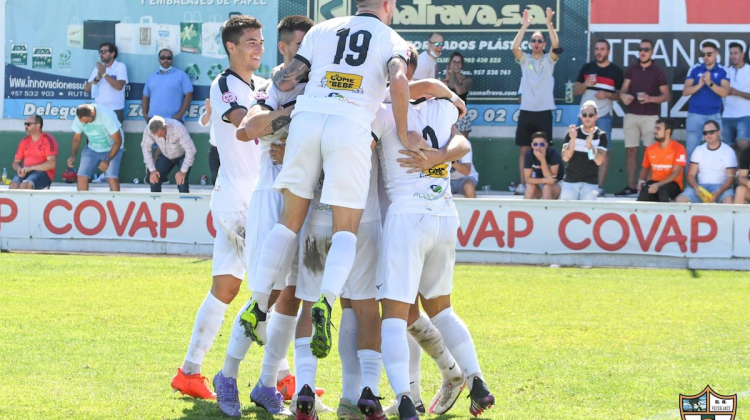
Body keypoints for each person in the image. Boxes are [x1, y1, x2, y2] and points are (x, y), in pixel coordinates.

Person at [245, 2, 418, 417]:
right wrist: (406, 127)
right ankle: (327, 301)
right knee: (347, 233)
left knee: (289, 223)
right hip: (350, 124)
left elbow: (292, 75)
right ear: (389, 7)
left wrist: (277, 103)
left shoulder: (323, 29)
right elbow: (399, 79)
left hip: (306, 118)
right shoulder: (392, 39)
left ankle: (256, 304)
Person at [207, 15, 314, 418]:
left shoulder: (319, 89)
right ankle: (227, 375)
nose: (305, 58)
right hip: (268, 198)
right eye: (299, 48)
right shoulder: (270, 88)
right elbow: (247, 129)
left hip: (305, 200)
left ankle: (268, 383)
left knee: (292, 297)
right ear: (286, 49)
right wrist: (292, 123)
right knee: (263, 295)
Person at [372, 94, 495, 419]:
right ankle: (476, 380)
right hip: (443, 213)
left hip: (406, 217)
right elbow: (462, 142)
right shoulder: (443, 107)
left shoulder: (383, 113)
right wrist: (439, 156)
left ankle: (404, 398)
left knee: (394, 316)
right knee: (441, 310)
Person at [170, 14, 267, 403]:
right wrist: (283, 117)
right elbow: (246, 124)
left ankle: (189, 372)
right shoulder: (224, 84)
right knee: (271, 288)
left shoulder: (261, 84)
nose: (258, 47)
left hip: (253, 200)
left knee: (225, 290)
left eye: (260, 41)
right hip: (237, 204)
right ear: (231, 47)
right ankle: (282, 378)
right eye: (250, 42)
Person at [512, 7, 559, 196]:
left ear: (543, 43)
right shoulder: (525, 60)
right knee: (525, 149)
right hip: (527, 111)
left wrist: (549, 24)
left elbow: (556, 47)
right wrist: (524, 26)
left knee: (544, 150)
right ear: (530, 43)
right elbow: (515, 48)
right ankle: (525, 185)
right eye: (534, 40)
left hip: (545, 111)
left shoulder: (549, 59)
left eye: (540, 40)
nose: (537, 43)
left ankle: (544, 184)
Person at [616, 39, 670, 196]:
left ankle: (646, 187)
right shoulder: (632, 69)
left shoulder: (658, 71)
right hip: (632, 115)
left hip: (651, 117)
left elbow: (666, 96)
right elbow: (622, 91)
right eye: (640, 49)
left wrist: (650, 98)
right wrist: (624, 96)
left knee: (650, 153)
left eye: (646, 49)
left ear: (652, 52)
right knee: (630, 152)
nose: (643, 52)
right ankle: (631, 186)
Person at [574, 39, 623, 196]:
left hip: (603, 116)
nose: (599, 52)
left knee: (603, 152)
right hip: (584, 116)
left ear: (608, 51)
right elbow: (576, 91)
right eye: (597, 49)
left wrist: (607, 94)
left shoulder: (616, 71)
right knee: (577, 149)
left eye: (602, 49)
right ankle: (578, 185)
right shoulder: (587, 68)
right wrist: (585, 84)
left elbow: (620, 96)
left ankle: (598, 188)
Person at [682, 42, 730, 162]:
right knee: (691, 152)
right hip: (695, 115)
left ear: (716, 54)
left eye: (709, 54)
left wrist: (709, 83)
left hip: (714, 115)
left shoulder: (723, 70)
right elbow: (685, 91)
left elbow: (724, 92)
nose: (705, 57)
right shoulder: (695, 69)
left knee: (716, 151)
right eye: (703, 54)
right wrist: (699, 85)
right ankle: (690, 181)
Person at [676, 120, 737, 204]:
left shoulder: (728, 151)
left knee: (729, 201)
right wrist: (696, 187)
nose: (708, 135)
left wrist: (718, 192)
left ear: (719, 132)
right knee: (680, 200)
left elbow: (731, 177)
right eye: (705, 133)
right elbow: (690, 175)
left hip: (722, 187)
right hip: (701, 187)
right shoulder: (698, 150)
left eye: (711, 132)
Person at [67, 103, 123, 192]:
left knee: (111, 178)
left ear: (92, 113)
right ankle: (82, 204)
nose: (85, 124)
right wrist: (73, 155)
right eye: (83, 122)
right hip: (92, 148)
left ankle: (115, 204)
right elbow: (76, 138)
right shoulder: (79, 118)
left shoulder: (106, 115)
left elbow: (118, 141)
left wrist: (107, 160)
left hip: (112, 148)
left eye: (87, 121)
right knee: (81, 176)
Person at [560, 101, 607, 200]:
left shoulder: (601, 135)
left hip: (590, 184)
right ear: (581, 116)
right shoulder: (572, 133)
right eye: (584, 115)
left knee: (588, 214)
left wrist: (589, 146)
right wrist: (572, 140)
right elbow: (565, 157)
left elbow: (598, 161)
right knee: (566, 213)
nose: (587, 117)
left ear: (596, 117)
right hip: (570, 182)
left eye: (590, 115)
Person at [140, 116, 196, 193]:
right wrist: (152, 170)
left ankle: (185, 203)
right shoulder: (148, 130)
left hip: (182, 155)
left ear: (165, 127)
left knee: (182, 183)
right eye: (155, 135)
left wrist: (182, 172)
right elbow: (145, 148)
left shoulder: (178, 128)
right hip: (165, 155)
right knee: (154, 180)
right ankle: (155, 204)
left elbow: (191, 150)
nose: (157, 137)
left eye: (160, 134)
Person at [636, 118, 687, 202]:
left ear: (668, 131)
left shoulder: (679, 148)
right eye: (655, 128)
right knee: (645, 192)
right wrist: (640, 181)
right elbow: (645, 168)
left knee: (662, 191)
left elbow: (676, 172)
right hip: (655, 183)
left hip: (673, 184)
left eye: (658, 128)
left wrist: (658, 185)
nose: (655, 131)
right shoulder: (650, 149)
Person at [142, 49, 194, 121]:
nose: (166, 60)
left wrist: (179, 115)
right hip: (154, 120)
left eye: (168, 58)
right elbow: (145, 96)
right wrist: (144, 113)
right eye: (163, 58)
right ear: (159, 59)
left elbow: (189, 95)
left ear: (172, 59)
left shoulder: (181, 75)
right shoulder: (151, 76)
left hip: (174, 120)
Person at [10, 115, 57, 190]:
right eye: (25, 124)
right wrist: (18, 169)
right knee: (13, 185)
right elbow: (15, 162)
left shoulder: (48, 140)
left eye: (28, 124)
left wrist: (31, 168)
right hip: (26, 172)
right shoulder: (24, 141)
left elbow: (51, 164)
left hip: (43, 173)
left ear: (38, 126)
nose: (26, 126)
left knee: (25, 185)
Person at [84, 42, 128, 123]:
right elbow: (87, 89)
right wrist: (97, 78)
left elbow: (119, 86)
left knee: (114, 136)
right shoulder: (97, 69)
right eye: (100, 52)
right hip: (98, 109)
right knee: (97, 135)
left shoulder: (120, 66)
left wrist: (104, 74)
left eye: (104, 51)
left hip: (115, 110)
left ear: (112, 53)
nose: (101, 54)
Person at [722, 42, 750, 155]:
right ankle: (736, 172)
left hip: (744, 115)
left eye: (736, 53)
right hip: (727, 115)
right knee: (730, 149)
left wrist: (737, 92)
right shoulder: (725, 71)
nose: (733, 56)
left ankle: (745, 171)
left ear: (742, 54)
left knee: (743, 144)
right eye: (731, 53)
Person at [523, 131, 563, 200]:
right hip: (541, 181)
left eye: (541, 144)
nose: (538, 147)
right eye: (535, 144)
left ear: (546, 145)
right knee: (530, 187)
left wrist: (542, 159)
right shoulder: (529, 155)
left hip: (557, 184)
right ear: (532, 145)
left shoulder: (553, 154)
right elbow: (527, 179)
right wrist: (544, 180)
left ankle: (547, 210)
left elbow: (551, 181)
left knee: (547, 188)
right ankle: (524, 210)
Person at [443, 51, 473, 138]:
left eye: (459, 62)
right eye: (454, 62)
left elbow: (460, 91)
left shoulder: (467, 80)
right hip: (447, 115)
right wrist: (448, 78)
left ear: (462, 65)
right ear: (450, 63)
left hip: (461, 115)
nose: (456, 64)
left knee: (462, 145)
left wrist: (452, 73)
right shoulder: (444, 81)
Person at [198, 98, 220, 185]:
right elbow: (203, 123)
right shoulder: (213, 108)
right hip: (214, 149)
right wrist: (208, 112)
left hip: (229, 149)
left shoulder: (231, 107)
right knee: (214, 176)